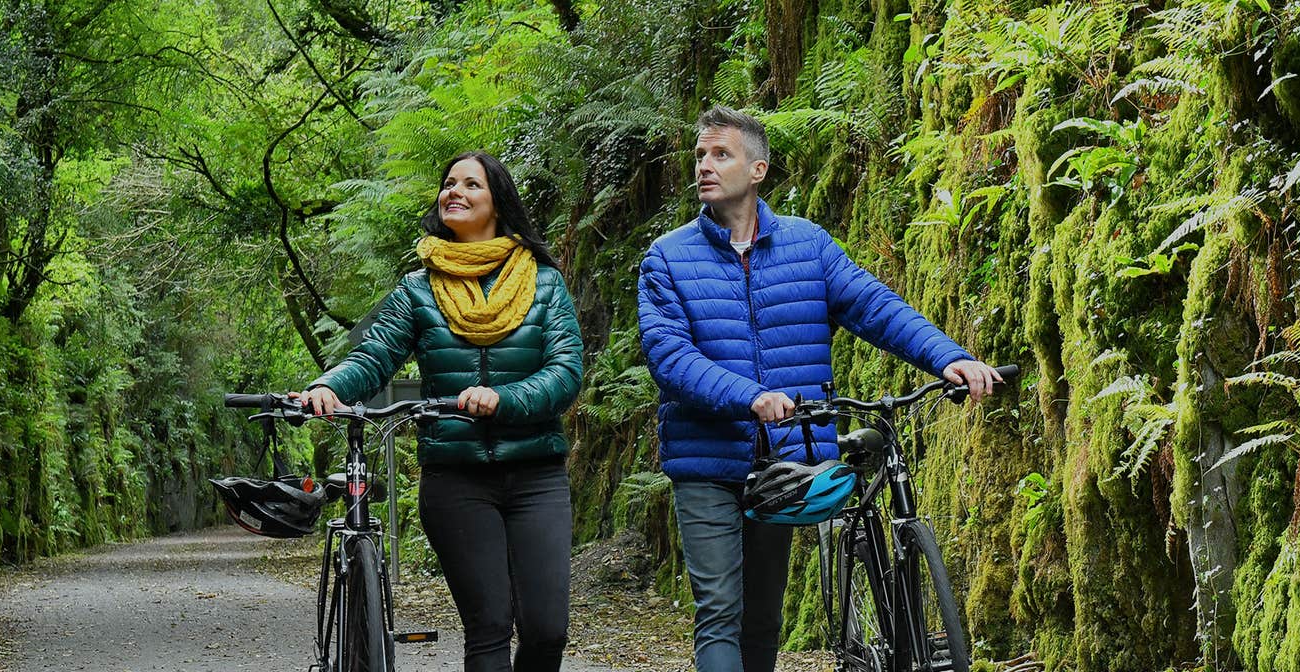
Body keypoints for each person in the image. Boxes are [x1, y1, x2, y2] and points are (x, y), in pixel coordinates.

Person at [635, 106, 1003, 672]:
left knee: (763, 616)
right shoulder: (668, 256)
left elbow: (875, 307)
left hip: (785, 461)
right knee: (719, 611)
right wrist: (750, 396)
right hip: (706, 460)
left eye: (720, 154)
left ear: (757, 170)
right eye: (700, 155)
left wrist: (947, 357)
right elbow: (670, 358)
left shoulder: (807, 245)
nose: (705, 165)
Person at [295, 151, 583, 672]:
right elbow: (374, 355)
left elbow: (565, 374)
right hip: (456, 479)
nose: (454, 191)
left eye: (470, 184)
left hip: (536, 475)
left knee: (546, 630)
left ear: (498, 201)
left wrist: (505, 399)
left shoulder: (544, 283)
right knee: (490, 626)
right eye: (448, 183)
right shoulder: (418, 289)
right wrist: (327, 386)